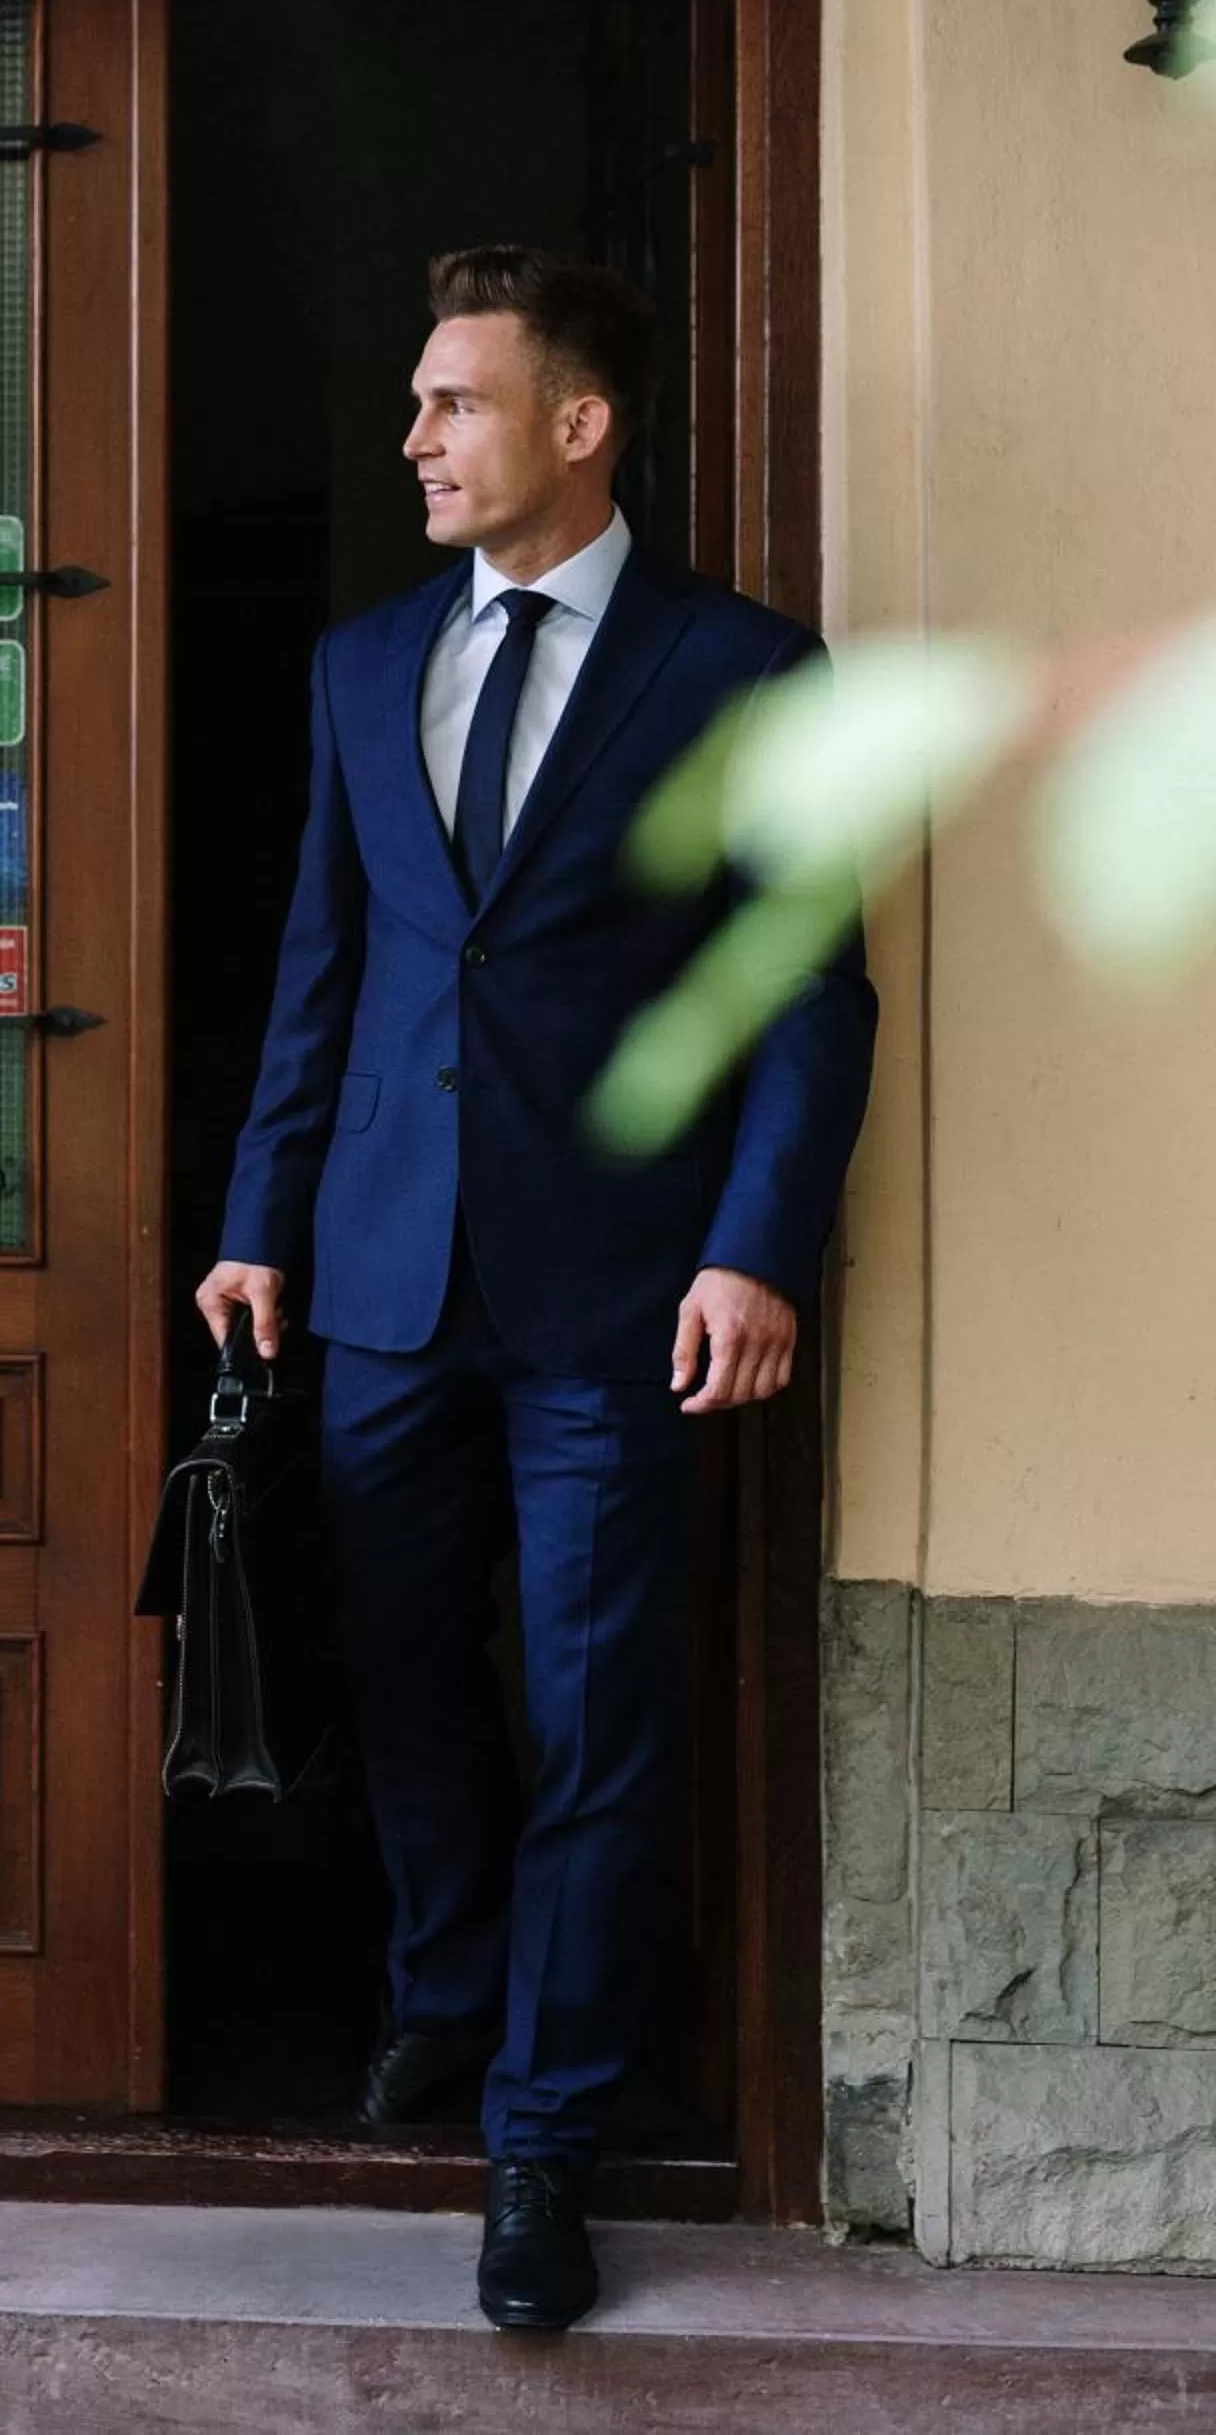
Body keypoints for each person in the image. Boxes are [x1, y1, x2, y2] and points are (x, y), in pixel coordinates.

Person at [196, 247, 877, 2331]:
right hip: (385, 1276)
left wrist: (757, 1245)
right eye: (413, 401)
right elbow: (327, 965)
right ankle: (439, 1992)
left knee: (595, 1716)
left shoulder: (744, 669)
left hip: (619, 1291)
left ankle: (542, 2142)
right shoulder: (355, 664)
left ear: (576, 426)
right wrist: (258, 1215)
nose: (412, 438)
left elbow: (805, 985)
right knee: (408, 1680)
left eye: (451, 403)